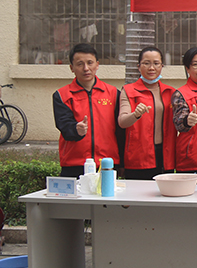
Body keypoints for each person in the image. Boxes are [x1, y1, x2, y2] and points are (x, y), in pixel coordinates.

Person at [53, 43, 121, 178]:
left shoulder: (113, 93)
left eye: (90, 63)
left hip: (107, 163)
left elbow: (120, 131)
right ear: (72, 68)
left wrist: (122, 163)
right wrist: (76, 129)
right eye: (80, 64)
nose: (86, 68)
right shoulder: (62, 95)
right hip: (74, 164)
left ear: (97, 65)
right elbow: (64, 125)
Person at [119, 46, 177, 179]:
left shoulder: (171, 92)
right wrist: (135, 115)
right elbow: (122, 121)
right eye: (146, 63)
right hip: (139, 156)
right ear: (139, 67)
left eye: (156, 63)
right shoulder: (128, 91)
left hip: (165, 155)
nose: (151, 68)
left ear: (162, 66)